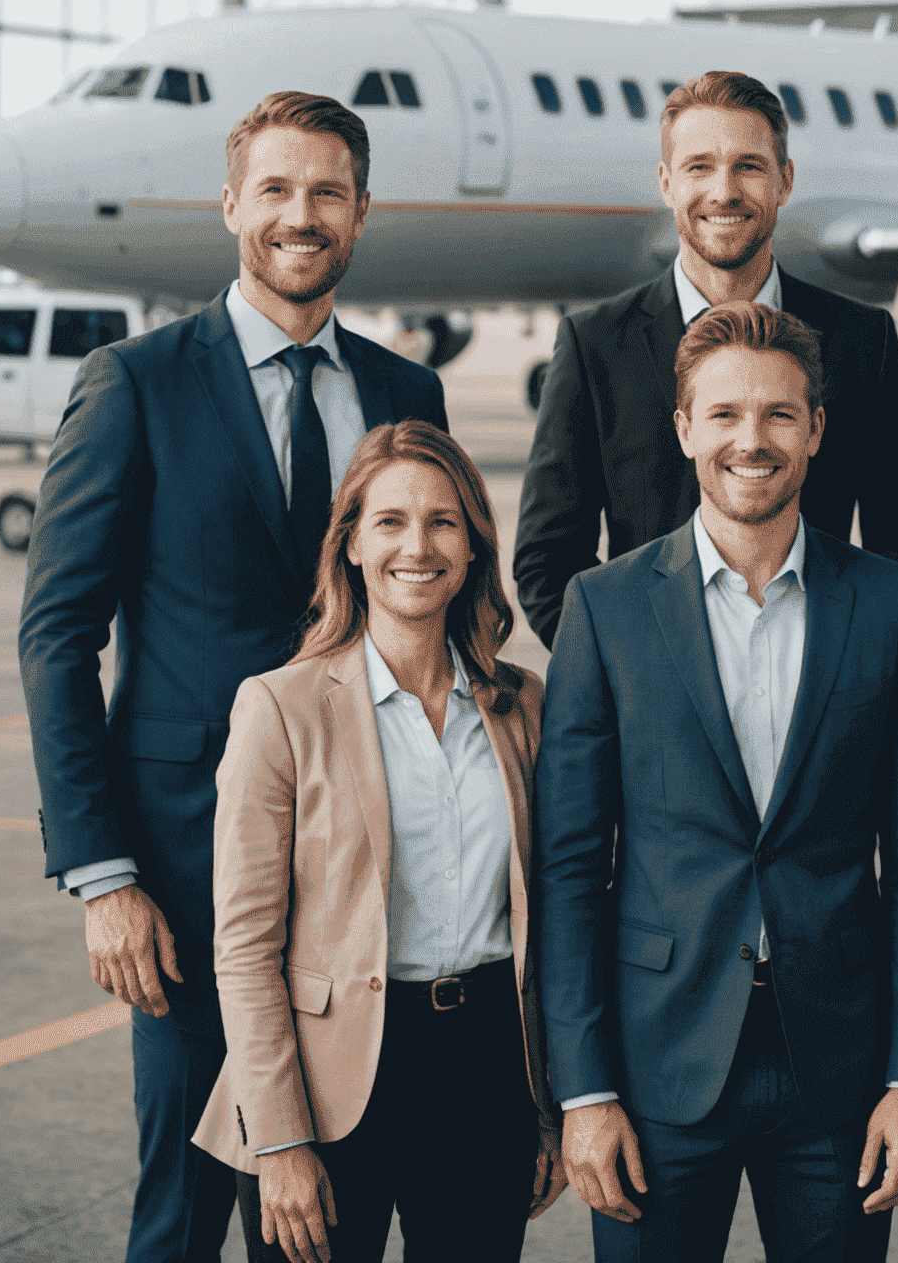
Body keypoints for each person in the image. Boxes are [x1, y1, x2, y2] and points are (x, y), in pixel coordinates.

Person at [18, 92, 449, 1263]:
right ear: (231, 206)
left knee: (321, 1214)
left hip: (368, 881)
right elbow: (58, 636)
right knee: (186, 1208)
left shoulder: (408, 399)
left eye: (326, 193)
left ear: (361, 213)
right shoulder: (137, 383)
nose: (299, 216)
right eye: (275, 190)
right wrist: (103, 875)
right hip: (186, 877)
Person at [536, 301, 898, 1263]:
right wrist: (585, 1091)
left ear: (814, 430)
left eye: (776, 414)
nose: (750, 441)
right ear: (683, 430)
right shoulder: (604, 608)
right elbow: (566, 869)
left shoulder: (890, 606)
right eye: (723, 415)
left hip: (841, 1071)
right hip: (655, 1068)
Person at [192, 420, 565, 1263]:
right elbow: (246, 947)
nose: (417, 546)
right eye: (390, 521)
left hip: (486, 1072)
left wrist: (546, 1107)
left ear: (474, 547)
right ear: (352, 544)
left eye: (443, 521)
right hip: (324, 1080)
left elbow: (552, 926)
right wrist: (279, 1142)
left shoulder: (523, 708)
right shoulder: (279, 709)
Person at [513, 69, 898, 649]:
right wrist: (634, 682)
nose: (724, 191)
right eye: (699, 167)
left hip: (816, 700)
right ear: (666, 183)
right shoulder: (595, 346)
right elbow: (548, 559)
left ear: (784, 182)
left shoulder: (864, 341)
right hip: (654, 713)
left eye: (749, 166)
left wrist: (847, 680)